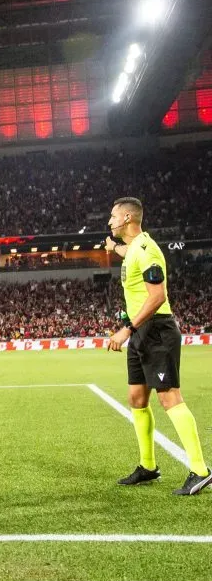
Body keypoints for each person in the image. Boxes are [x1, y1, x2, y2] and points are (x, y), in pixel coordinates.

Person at [104, 197, 210, 495]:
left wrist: (127, 328)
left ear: (127, 218)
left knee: (169, 398)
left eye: (113, 216)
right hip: (142, 332)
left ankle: (201, 470)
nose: (109, 221)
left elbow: (158, 296)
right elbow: (129, 254)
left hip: (157, 330)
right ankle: (148, 467)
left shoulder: (149, 250)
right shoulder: (134, 248)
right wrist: (114, 249)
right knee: (137, 398)